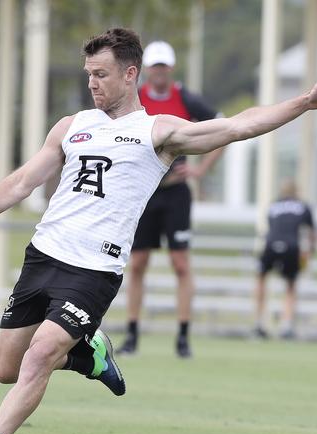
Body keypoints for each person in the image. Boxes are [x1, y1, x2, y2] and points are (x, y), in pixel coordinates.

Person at [0, 28, 317, 434]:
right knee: (6, 369)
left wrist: (303, 103)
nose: (92, 83)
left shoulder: (157, 133)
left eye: (101, 74)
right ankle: (88, 357)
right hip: (43, 257)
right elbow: (21, 183)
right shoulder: (71, 126)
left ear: (130, 74)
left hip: (94, 271)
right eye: (89, 75)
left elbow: (238, 125)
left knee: (38, 359)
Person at [117, 40, 225, 358]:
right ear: (145, 70)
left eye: (164, 66)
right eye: (155, 66)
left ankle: (182, 335)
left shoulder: (184, 97)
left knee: (180, 263)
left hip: (176, 192)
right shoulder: (136, 98)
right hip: (144, 191)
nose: (159, 72)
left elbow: (220, 125)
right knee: (137, 262)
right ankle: (132, 333)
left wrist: (201, 169)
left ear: (170, 69)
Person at [253, 179, 317, 339]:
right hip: (292, 246)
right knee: (290, 285)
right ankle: (286, 325)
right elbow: (311, 234)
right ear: (297, 191)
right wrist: (310, 253)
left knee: (261, 280)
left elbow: (271, 227)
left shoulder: (273, 205)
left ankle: (259, 323)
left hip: (270, 245)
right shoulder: (303, 206)